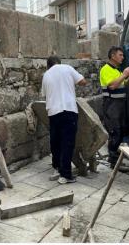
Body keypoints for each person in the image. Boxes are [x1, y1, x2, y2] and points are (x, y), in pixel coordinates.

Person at [41, 55, 88, 184]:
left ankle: (57, 167)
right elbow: (83, 81)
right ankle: (65, 175)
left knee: (55, 141)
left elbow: (44, 95)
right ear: (59, 62)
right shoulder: (67, 68)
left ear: (48, 65)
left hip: (53, 112)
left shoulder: (46, 75)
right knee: (67, 142)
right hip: (68, 109)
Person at [100, 46, 129, 172]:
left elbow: (121, 83)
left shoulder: (117, 70)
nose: (122, 57)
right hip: (111, 105)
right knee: (115, 132)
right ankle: (114, 162)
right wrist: (124, 74)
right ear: (113, 56)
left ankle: (115, 158)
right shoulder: (106, 69)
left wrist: (127, 75)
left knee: (121, 131)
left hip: (119, 105)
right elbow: (113, 86)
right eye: (120, 55)